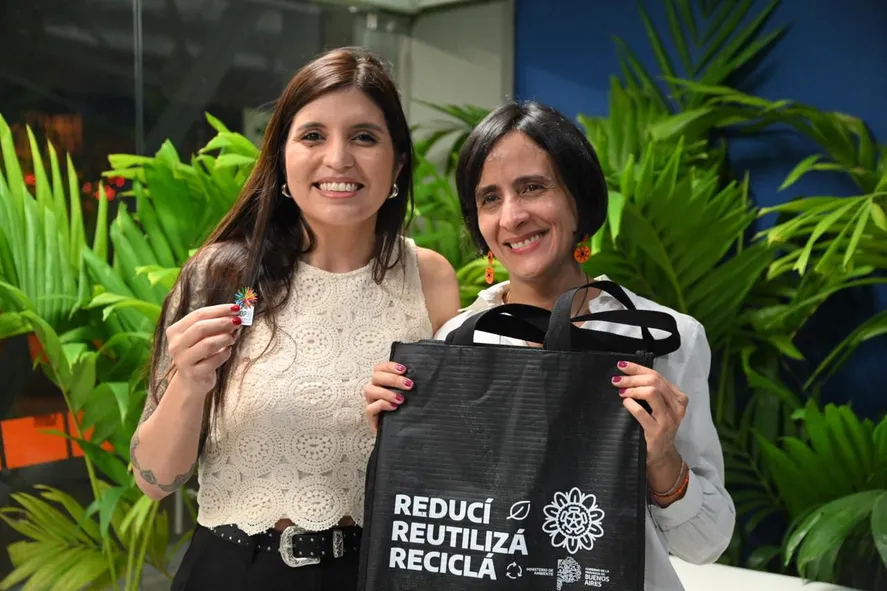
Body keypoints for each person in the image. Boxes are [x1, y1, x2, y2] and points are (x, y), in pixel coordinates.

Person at [364, 101, 735, 590]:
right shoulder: (455, 344)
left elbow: (706, 544)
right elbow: (442, 524)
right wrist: (400, 436)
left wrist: (662, 458)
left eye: (533, 188)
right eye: (490, 199)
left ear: (578, 199)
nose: (513, 216)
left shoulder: (665, 338)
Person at [131, 47, 460, 590]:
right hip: (234, 571)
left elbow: (455, 458)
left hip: (381, 572)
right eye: (312, 136)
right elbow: (154, 481)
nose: (338, 159)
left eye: (364, 137)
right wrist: (189, 383)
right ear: (281, 157)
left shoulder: (430, 279)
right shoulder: (222, 276)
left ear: (398, 162)